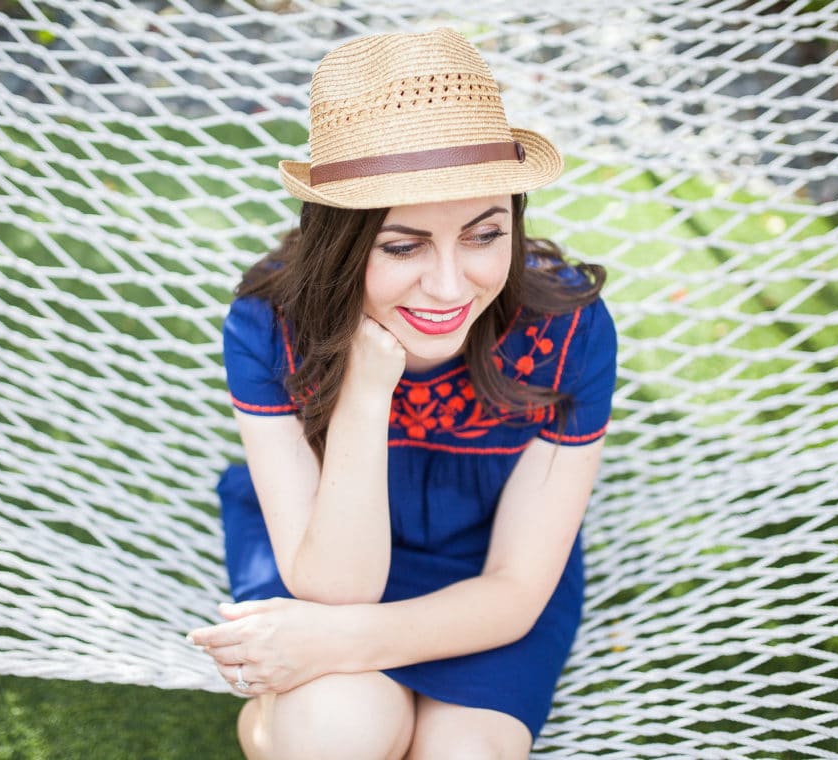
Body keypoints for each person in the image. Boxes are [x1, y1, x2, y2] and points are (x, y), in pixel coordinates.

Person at [186, 27, 617, 759]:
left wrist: (330, 645)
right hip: (324, 548)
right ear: (343, 245)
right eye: (403, 245)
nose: (452, 287)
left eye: (484, 234)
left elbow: (513, 590)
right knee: (337, 732)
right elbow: (334, 587)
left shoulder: (566, 330)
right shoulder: (268, 328)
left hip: (488, 579)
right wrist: (363, 387)